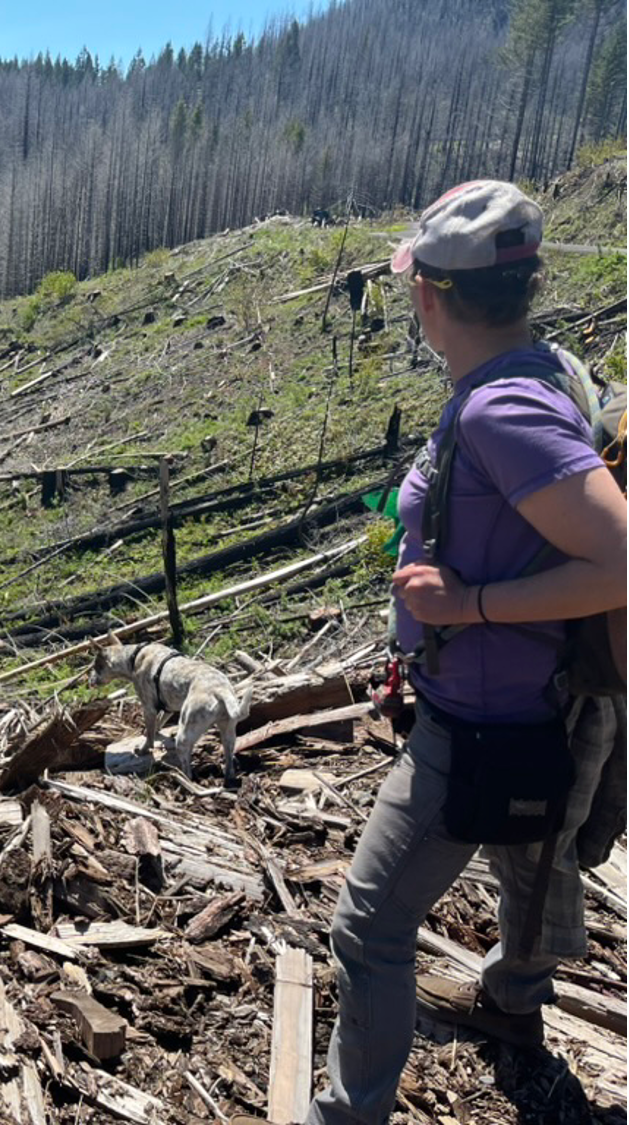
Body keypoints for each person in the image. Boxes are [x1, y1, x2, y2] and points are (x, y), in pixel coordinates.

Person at [233, 180, 629, 1125]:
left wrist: (468, 607)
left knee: (368, 927)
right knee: (526, 862)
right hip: (532, 705)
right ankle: (514, 1005)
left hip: (484, 725)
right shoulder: (546, 369)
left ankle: (348, 1114)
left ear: (428, 295)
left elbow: (621, 561)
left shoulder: (502, 411)